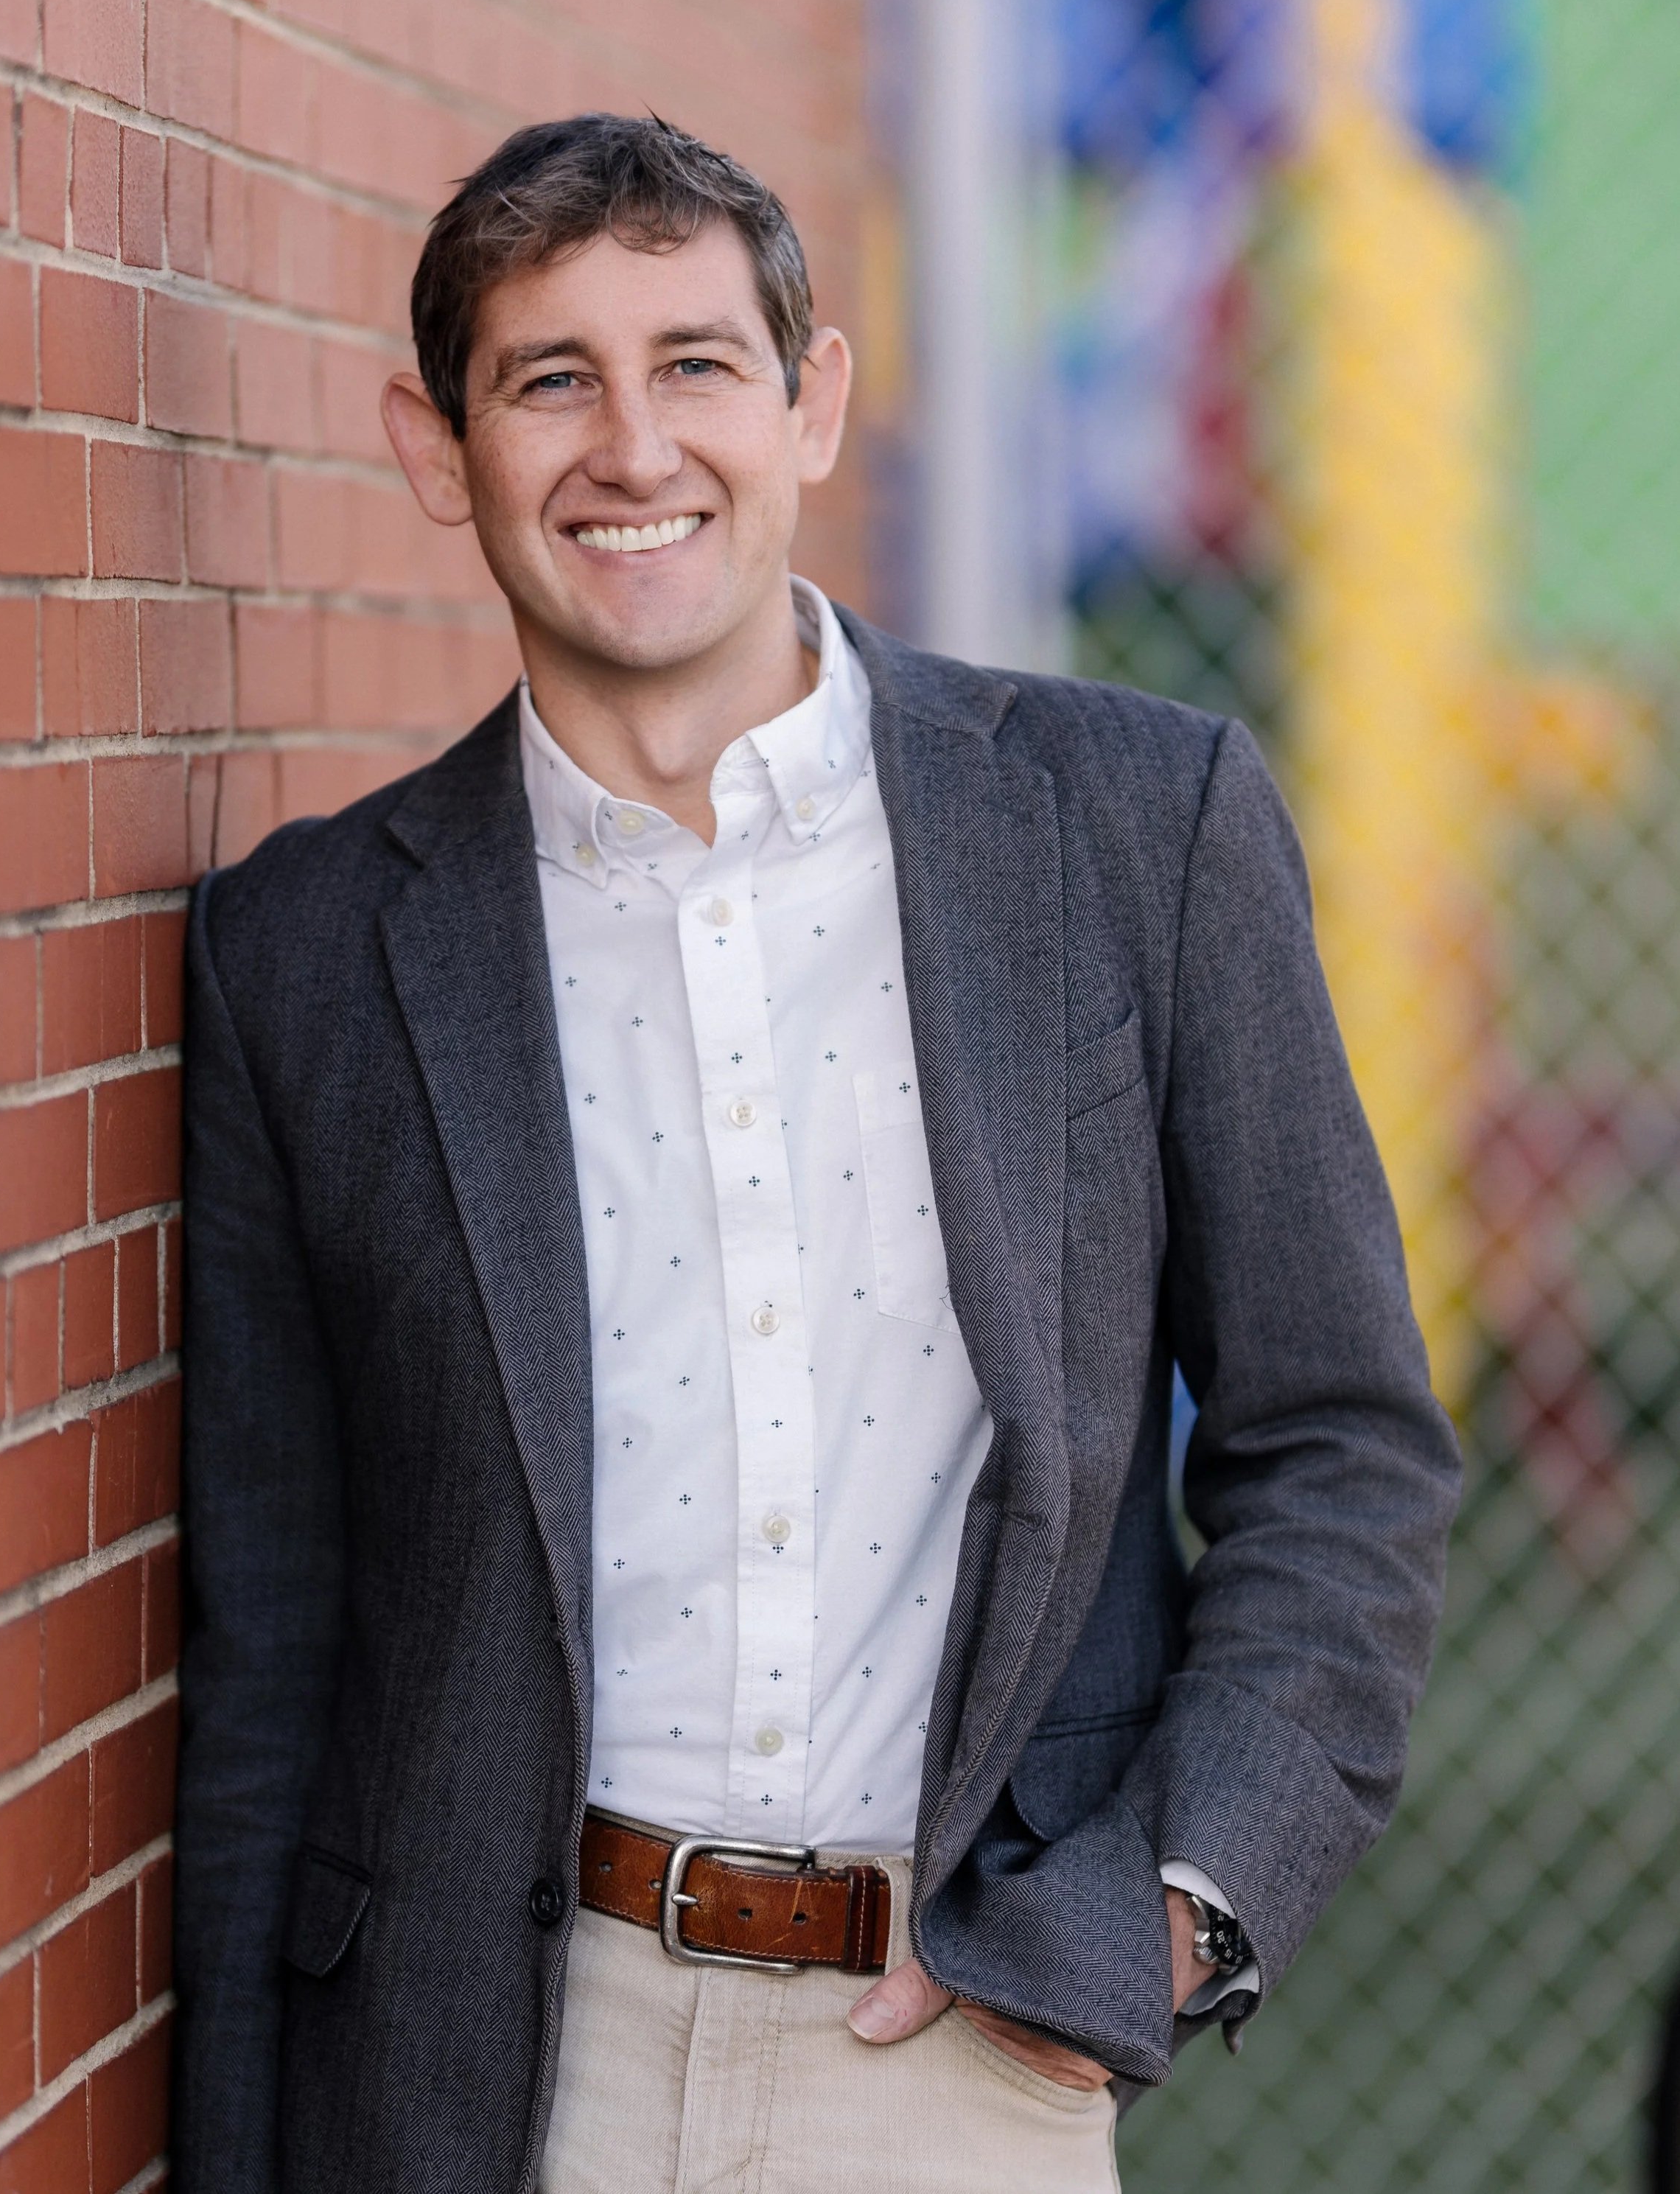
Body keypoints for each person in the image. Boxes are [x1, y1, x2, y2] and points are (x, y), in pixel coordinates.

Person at [171, 113, 1461, 2194]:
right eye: (548, 379)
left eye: (694, 364)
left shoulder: (1138, 829)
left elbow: (1336, 1439)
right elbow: (272, 1638)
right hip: (480, 2076)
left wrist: (1177, 1906)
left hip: (957, 2051)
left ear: (813, 402)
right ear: (439, 450)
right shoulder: (302, 955)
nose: (632, 447)